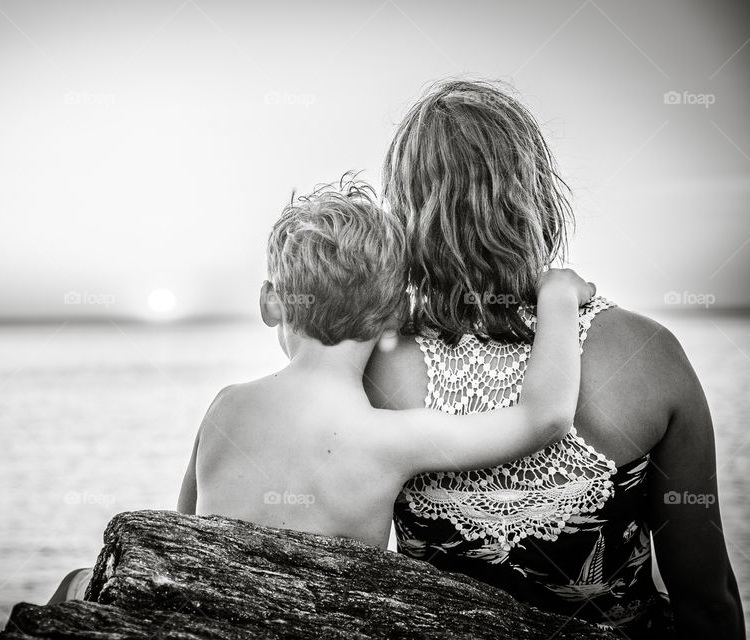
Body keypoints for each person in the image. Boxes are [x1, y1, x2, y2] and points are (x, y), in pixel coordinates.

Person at [366, 79, 744, 639]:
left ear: (407, 214)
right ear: (538, 196)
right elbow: (706, 602)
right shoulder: (647, 354)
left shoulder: (373, 365)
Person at [175, 177, 594, 549]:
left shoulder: (224, 408)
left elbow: (181, 538)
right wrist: (557, 297)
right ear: (398, 314)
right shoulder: (393, 439)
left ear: (270, 303)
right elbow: (546, 418)